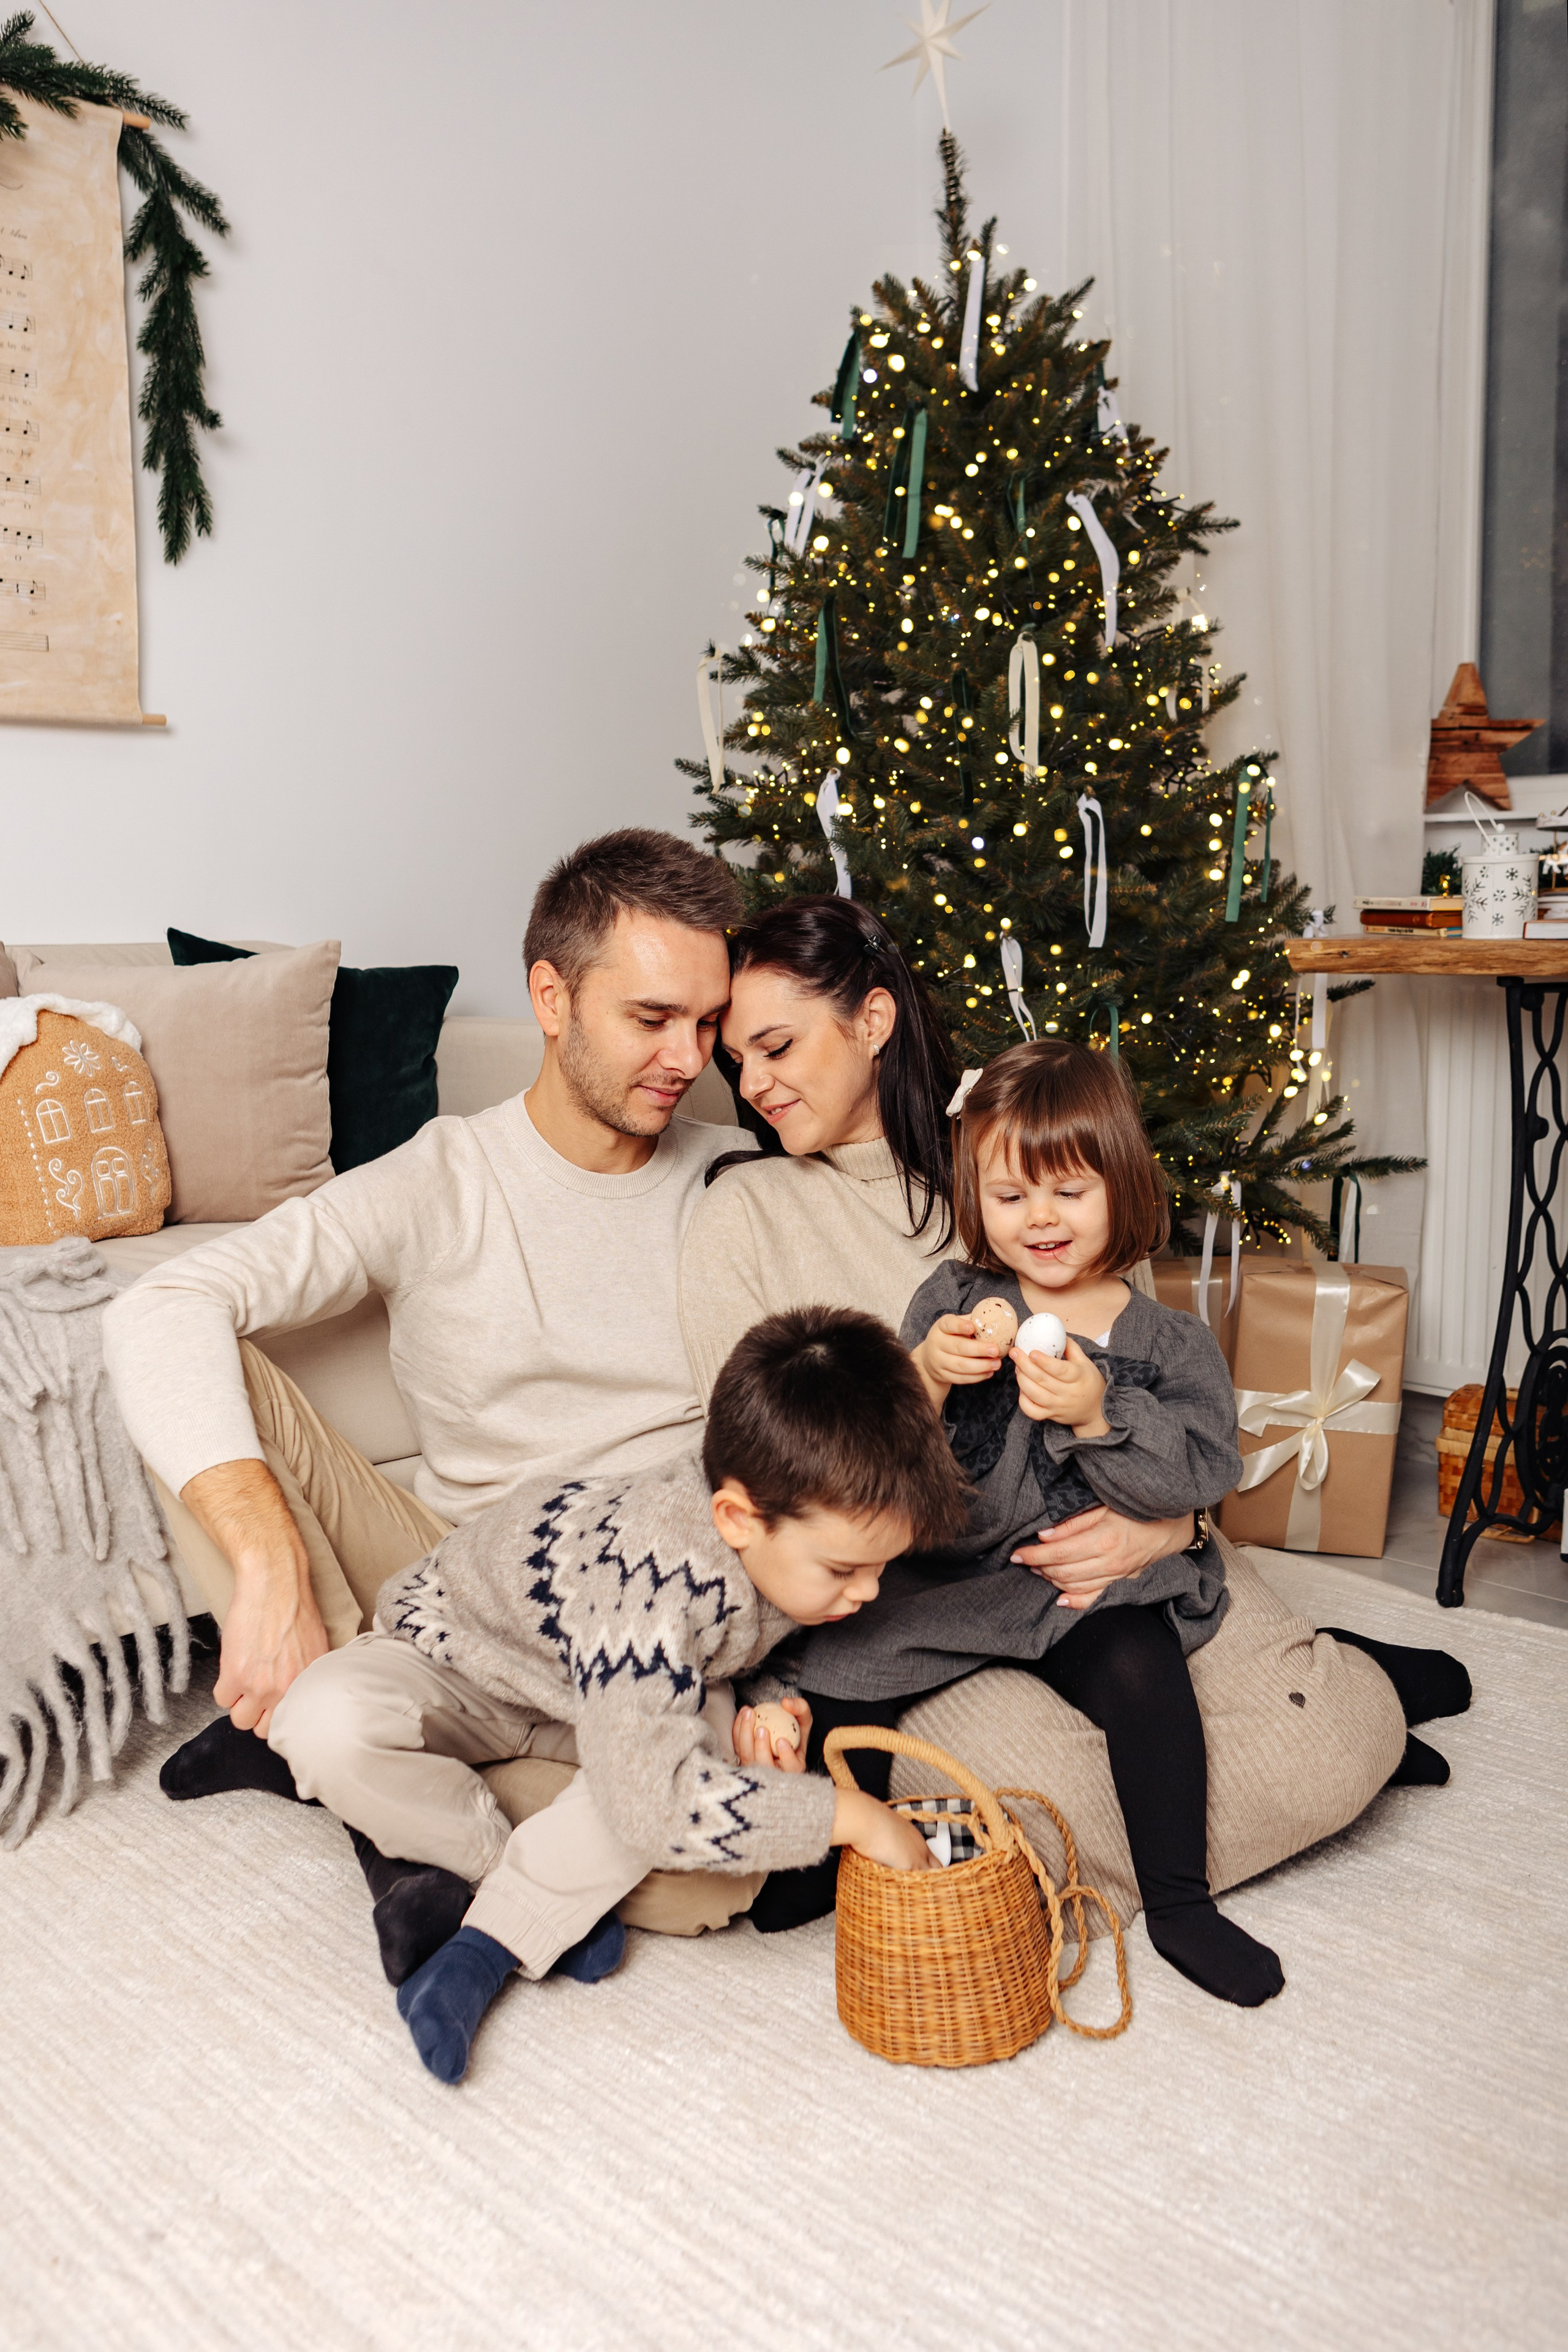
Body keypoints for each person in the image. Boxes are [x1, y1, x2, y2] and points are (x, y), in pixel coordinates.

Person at [679, 897, 1471, 1950]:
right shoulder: (747, 1212)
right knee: (1045, 1813)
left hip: (1126, 1543)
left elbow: (1167, 1401)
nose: (755, 1084)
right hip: (924, 1582)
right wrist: (923, 1378)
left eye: (775, 1046)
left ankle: (1339, 1715)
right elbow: (775, 1477)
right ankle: (1324, 1736)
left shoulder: (1035, 1148)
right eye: (737, 1062)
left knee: (1310, 1739)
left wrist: (1167, 1530)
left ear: (873, 1021)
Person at [102, 828, 757, 1969]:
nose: (686, 1057)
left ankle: (369, 1792)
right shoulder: (439, 1176)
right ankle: (365, 1746)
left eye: (707, 1024)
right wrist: (265, 1566)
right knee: (192, 1365)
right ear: (550, 998)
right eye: (651, 1019)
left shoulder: (731, 1175)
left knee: (718, 1883)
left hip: (647, 1611)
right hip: (455, 1589)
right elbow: (157, 1307)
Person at [269, 1308, 968, 2084]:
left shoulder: (783, 1525)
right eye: (843, 1571)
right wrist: (856, 1819)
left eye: (880, 1567)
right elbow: (655, 1801)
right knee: (324, 1720)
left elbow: (751, 1638)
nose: (868, 1593)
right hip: (465, 1660)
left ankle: (509, 1887)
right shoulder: (655, 1575)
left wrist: (774, 1699)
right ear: (735, 1518)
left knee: (704, 1841)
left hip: (626, 1690)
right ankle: (492, 1918)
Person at [795, 1039, 1277, 2006]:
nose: (1040, 1221)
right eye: (1011, 1198)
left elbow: (1206, 1473)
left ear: (1123, 1187)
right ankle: (803, 1863)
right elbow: (872, 1456)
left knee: (1145, 1674)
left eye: (1069, 1193)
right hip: (957, 1572)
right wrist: (927, 1375)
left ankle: (1182, 1903)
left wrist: (1099, 1415)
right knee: (840, 1662)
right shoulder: (954, 1305)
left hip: (1085, 1589)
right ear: (978, 1200)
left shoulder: (1169, 1342)